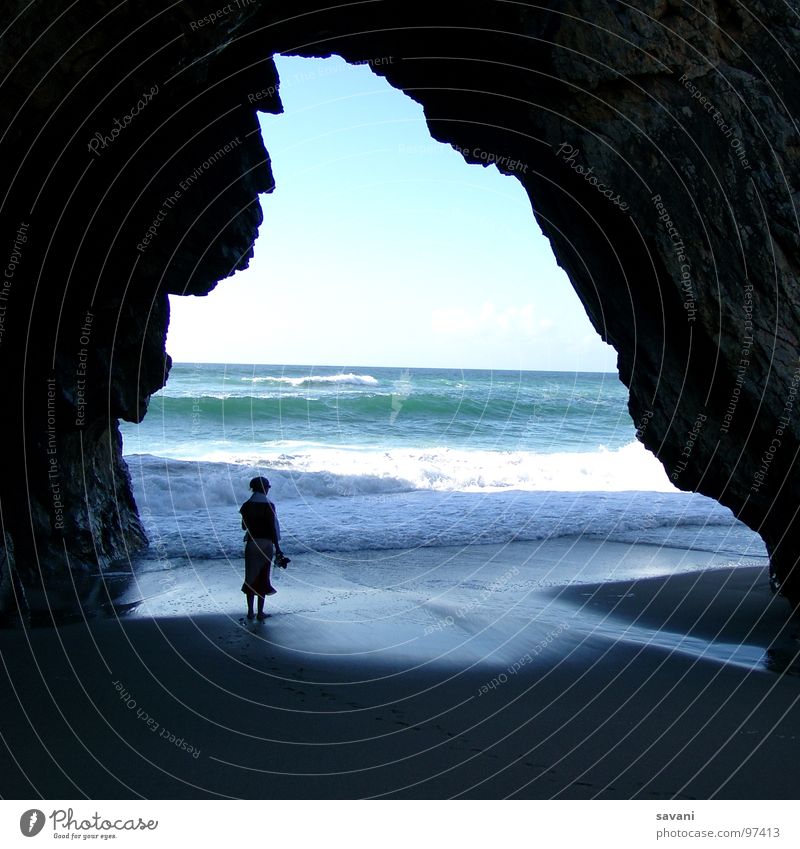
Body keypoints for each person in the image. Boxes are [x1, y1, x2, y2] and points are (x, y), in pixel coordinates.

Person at [239, 476, 285, 621]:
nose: (268, 490)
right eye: (267, 487)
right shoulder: (269, 505)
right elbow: (272, 529)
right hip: (266, 544)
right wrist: (278, 549)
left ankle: (250, 612)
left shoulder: (246, 505)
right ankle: (260, 612)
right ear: (264, 488)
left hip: (252, 544)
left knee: (250, 576)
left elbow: (243, 527)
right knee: (263, 577)